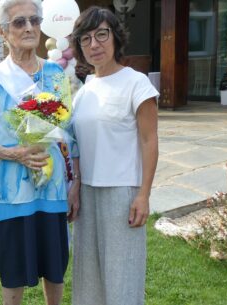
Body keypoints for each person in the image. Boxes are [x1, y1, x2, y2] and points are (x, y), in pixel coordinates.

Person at [0, 0, 79, 304]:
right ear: (3, 31)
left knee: (55, 266)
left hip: (54, 186)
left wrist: (75, 183)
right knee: (14, 269)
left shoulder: (56, 74)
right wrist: (13, 153)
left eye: (34, 19)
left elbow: (69, 133)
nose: (29, 27)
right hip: (11, 191)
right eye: (19, 22)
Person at [69, 6, 159, 305]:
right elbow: (79, 144)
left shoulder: (136, 83)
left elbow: (149, 140)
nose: (94, 45)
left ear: (115, 37)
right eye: (85, 39)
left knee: (122, 281)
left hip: (122, 194)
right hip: (88, 195)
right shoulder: (85, 88)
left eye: (101, 35)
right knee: (88, 280)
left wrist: (143, 194)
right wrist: (76, 184)